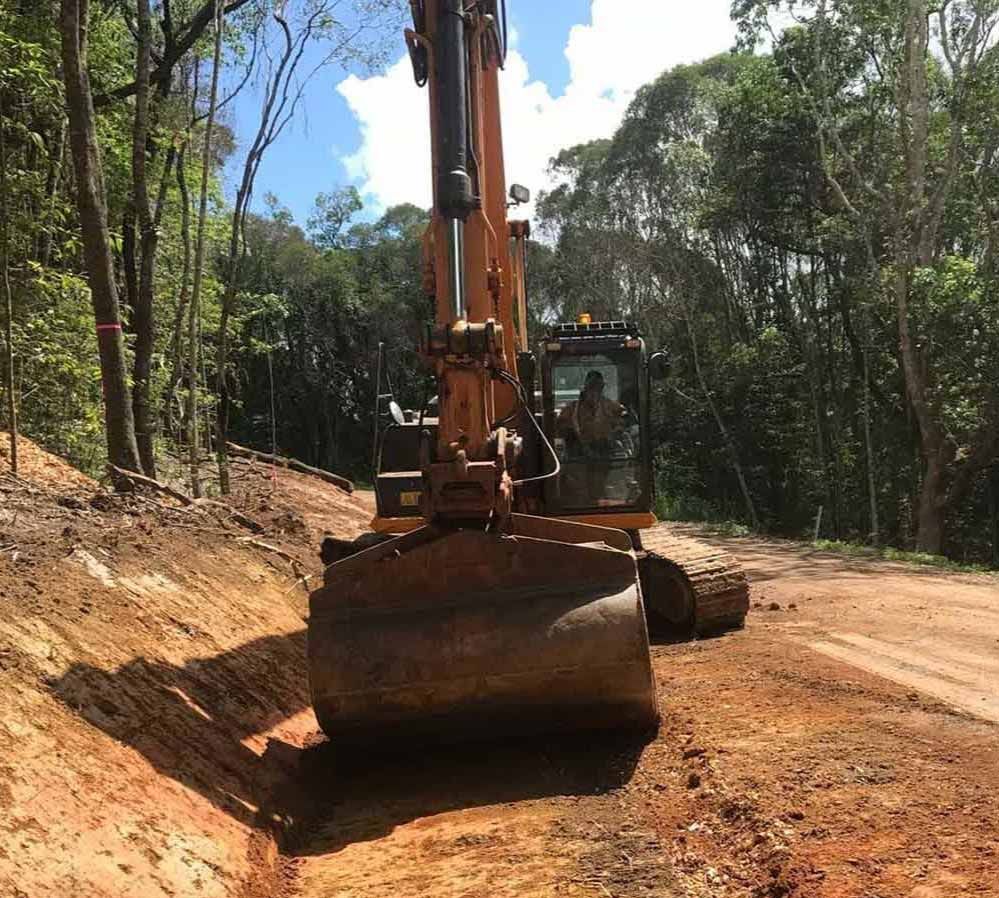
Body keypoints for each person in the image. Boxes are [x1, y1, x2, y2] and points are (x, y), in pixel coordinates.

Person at [556, 370, 627, 460]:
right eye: (591, 387)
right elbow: (559, 429)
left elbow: (625, 421)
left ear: (602, 388)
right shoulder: (571, 409)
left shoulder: (611, 406)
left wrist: (616, 432)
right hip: (578, 459)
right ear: (585, 388)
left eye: (598, 387)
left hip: (606, 456)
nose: (594, 391)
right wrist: (572, 435)